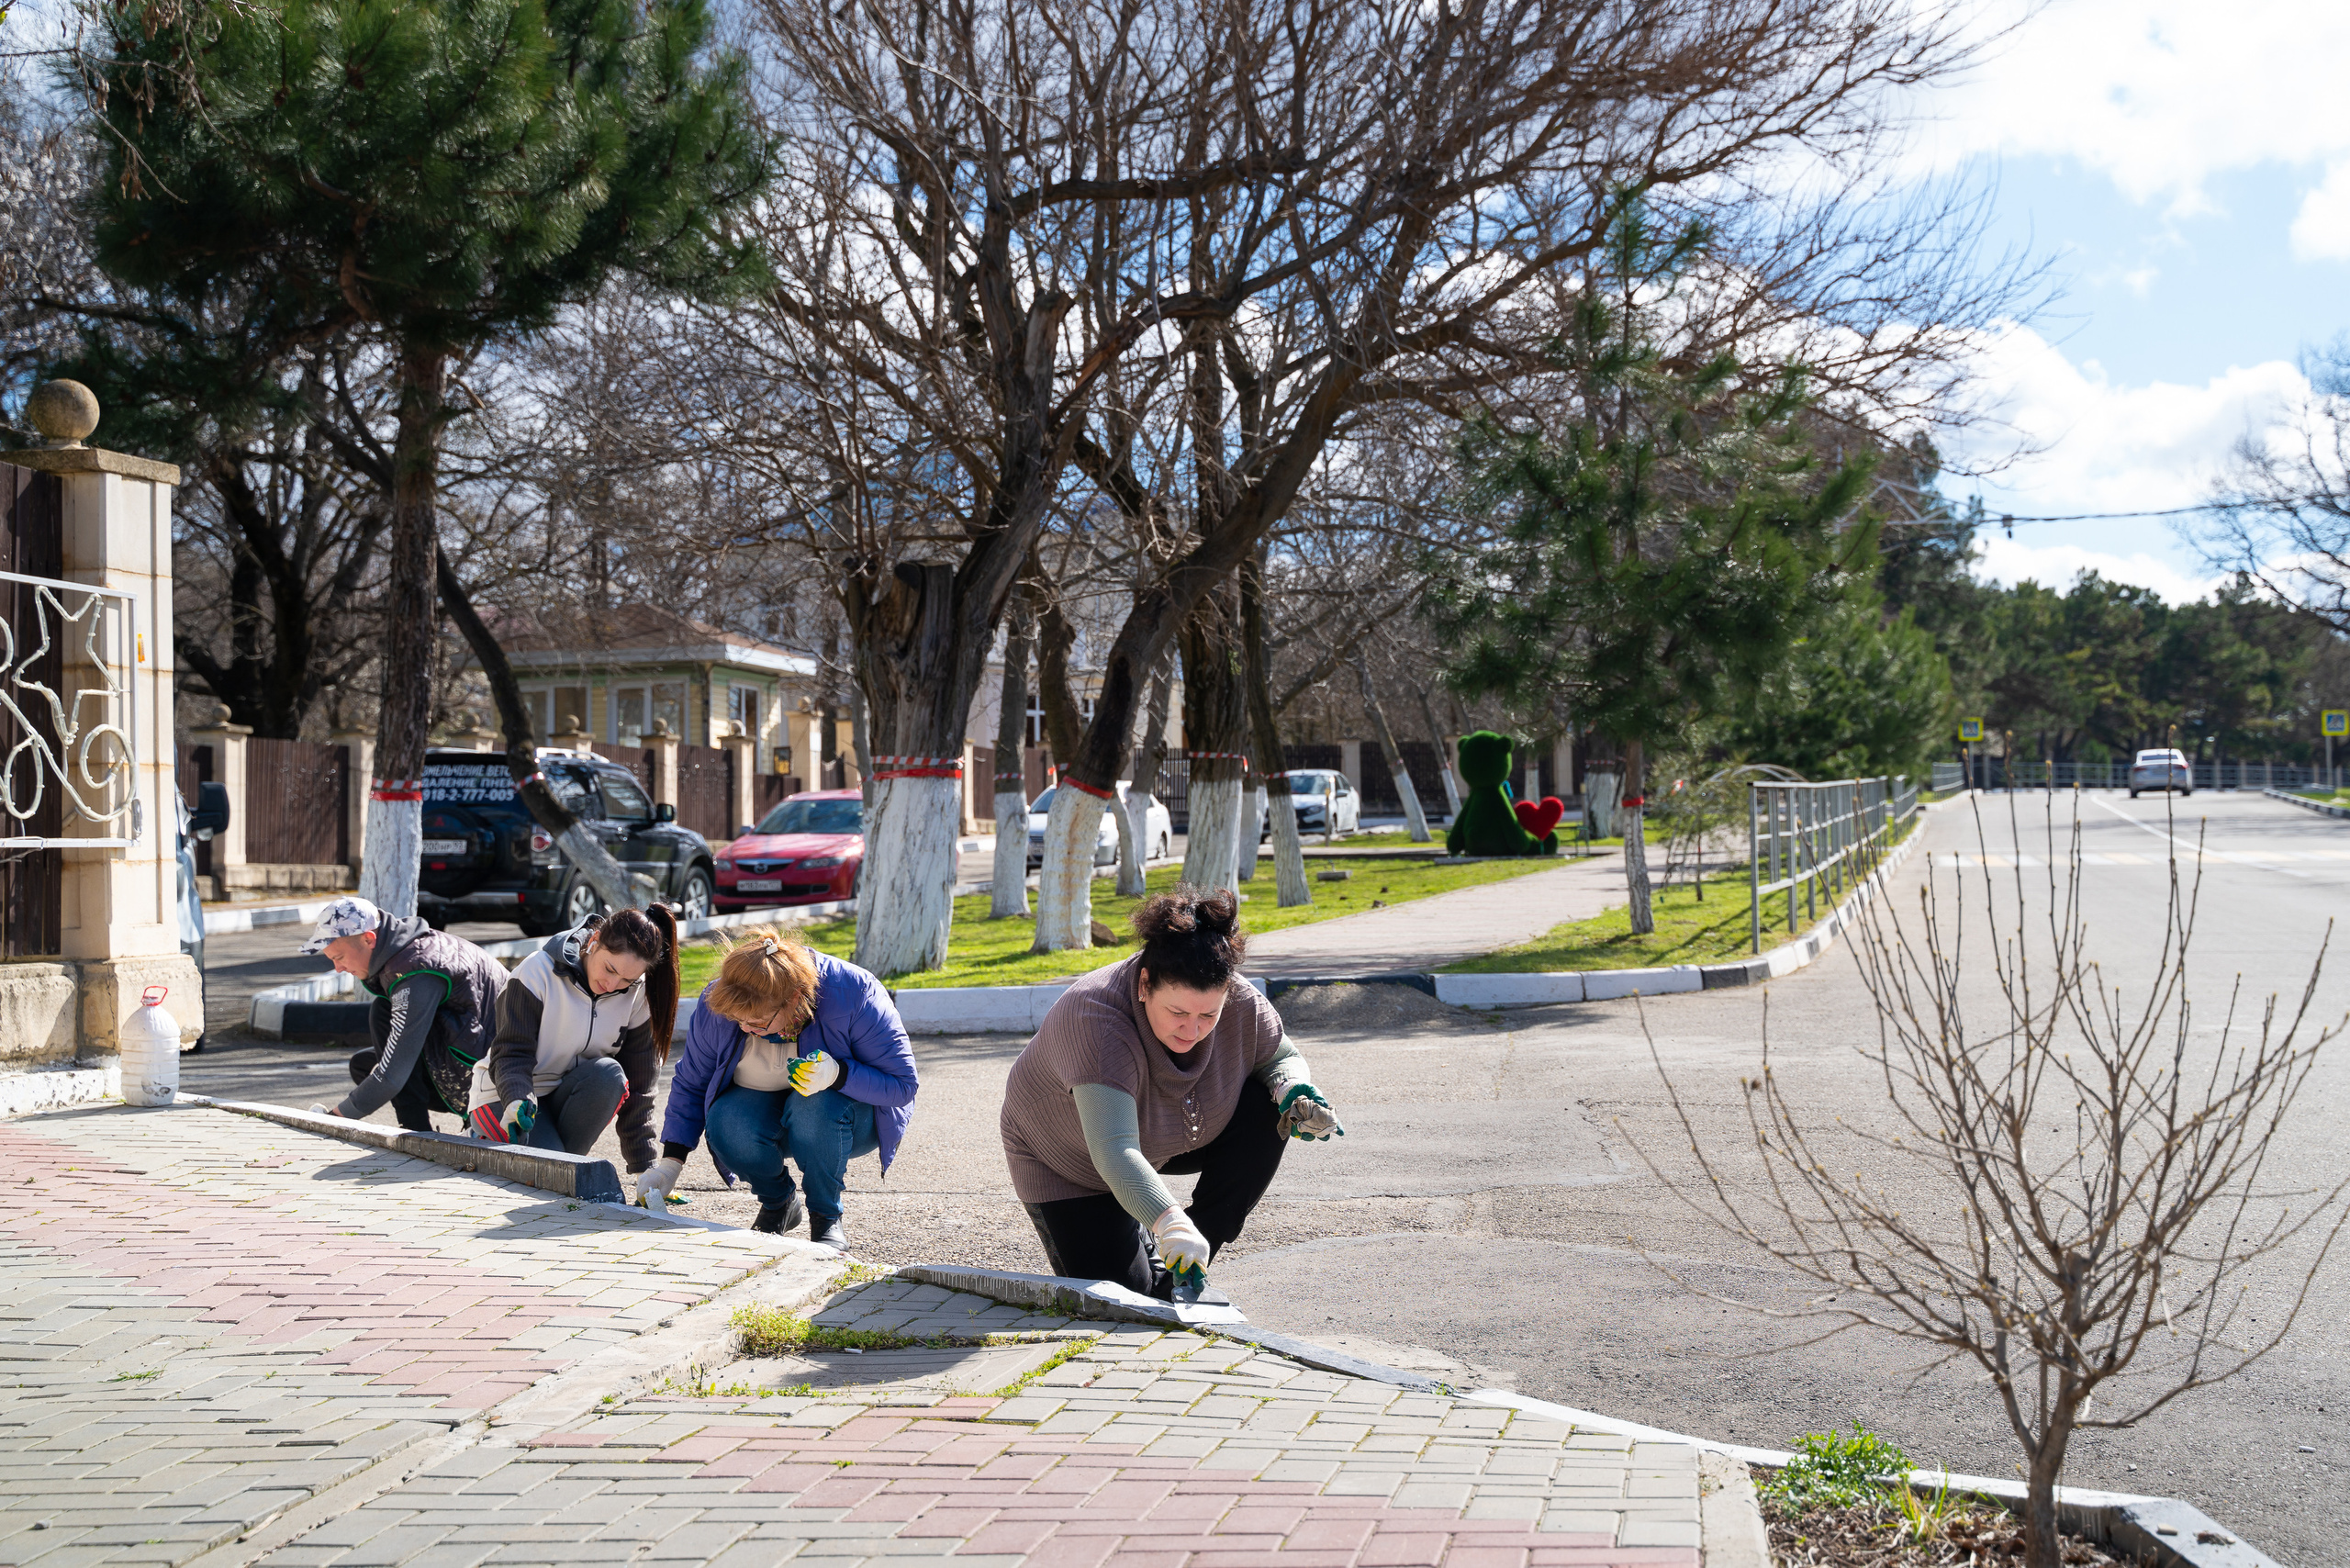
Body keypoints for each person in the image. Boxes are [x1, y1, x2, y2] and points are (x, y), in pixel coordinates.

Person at [999, 886, 1344, 1300]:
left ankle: (1193, 1246)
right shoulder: (1098, 1023)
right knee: (1126, 1302)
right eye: (1178, 1013)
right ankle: (1163, 1233)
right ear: (1145, 985)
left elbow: (1280, 1055)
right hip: (1071, 1162)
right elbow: (1114, 1150)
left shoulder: (1238, 999)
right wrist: (1171, 1223)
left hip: (1164, 1134)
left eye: (1208, 1015)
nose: (1193, 1030)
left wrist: (1292, 1088)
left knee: (1264, 1108)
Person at [633, 930, 918, 1250]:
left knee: (815, 1104)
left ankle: (826, 1216)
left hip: (843, 1119)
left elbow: (903, 1085)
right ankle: (779, 1204)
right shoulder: (720, 1002)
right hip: (762, 1111)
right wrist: (671, 1163)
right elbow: (692, 1082)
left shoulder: (853, 991)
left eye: (757, 1022)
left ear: (794, 998)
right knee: (726, 1121)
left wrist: (839, 1075)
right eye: (737, 1020)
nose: (745, 1028)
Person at [471, 905, 680, 1175]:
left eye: (626, 980)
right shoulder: (537, 971)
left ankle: (552, 1166)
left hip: (567, 1098)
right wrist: (516, 1099)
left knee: (609, 1075)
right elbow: (511, 1053)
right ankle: (489, 1141)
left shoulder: (636, 992)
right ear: (594, 941)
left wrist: (646, 1169)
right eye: (609, 969)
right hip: (508, 1097)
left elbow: (641, 1087)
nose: (613, 984)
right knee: (558, 1177)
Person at [301, 896, 508, 1130]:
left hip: (501, 1079)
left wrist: (333, 1120)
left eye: (338, 958)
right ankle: (421, 1128)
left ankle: (418, 1133)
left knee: (384, 1026)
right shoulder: (409, 952)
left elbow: (392, 1076)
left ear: (369, 939)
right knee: (364, 1064)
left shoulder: (416, 972)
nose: (338, 969)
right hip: (478, 1057)